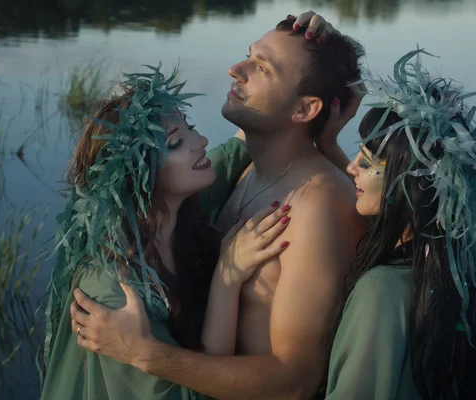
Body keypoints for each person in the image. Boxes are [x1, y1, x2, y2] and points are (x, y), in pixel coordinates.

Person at [69, 13, 369, 400]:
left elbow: (296, 382)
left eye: (262, 67)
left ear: (304, 110)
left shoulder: (317, 204)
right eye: (248, 55)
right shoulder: (246, 172)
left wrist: (147, 354)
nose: (235, 69)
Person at [40, 65, 294, 400]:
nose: (201, 141)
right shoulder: (112, 291)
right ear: (138, 175)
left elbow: (241, 144)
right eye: (175, 142)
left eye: (190, 128)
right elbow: (198, 394)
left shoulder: (180, 205)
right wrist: (227, 279)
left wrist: (303, 47)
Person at [319, 49, 476, 399]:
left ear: (408, 184)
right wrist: (326, 146)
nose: (351, 167)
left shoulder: (382, 289)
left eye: (366, 162)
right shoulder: (457, 276)